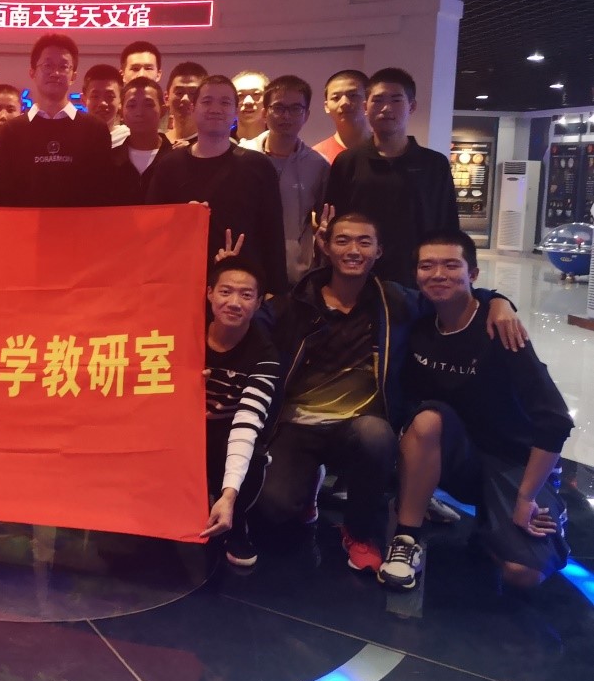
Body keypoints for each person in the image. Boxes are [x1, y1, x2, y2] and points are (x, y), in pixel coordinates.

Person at [256, 213, 525, 572]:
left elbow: (452, 297)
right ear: (325, 247)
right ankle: (308, 484)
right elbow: (244, 321)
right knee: (273, 509)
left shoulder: (394, 301)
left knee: (376, 434)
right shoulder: (296, 303)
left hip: (358, 426)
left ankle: (359, 532)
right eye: (343, 240)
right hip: (297, 424)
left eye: (364, 242)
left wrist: (498, 300)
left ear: (379, 251)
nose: (354, 250)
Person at [380, 231, 573, 591]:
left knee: (522, 573)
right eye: (427, 265)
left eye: (451, 265)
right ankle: (406, 538)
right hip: (459, 456)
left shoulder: (500, 329)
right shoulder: (420, 324)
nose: (439, 274)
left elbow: (555, 420)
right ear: (416, 275)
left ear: (473, 274)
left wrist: (527, 496)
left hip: (513, 462)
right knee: (426, 420)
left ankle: (497, 526)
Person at [147, 75, 287, 293]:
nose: (215, 109)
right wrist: (181, 219)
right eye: (207, 101)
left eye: (225, 102)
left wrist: (275, 293)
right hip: (181, 283)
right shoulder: (169, 165)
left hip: (241, 289)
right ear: (193, 108)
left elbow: (273, 235)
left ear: (235, 110)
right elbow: (152, 229)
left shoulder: (258, 165)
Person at [324, 67, 459, 287]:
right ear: (365, 107)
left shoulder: (434, 164)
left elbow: (449, 227)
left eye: (396, 100)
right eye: (378, 100)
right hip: (359, 280)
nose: (386, 108)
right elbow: (334, 224)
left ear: (411, 106)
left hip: (418, 281)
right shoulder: (347, 162)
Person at [199, 258, 280, 568]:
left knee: (254, 455)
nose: (234, 302)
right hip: (182, 429)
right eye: (225, 291)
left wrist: (229, 495)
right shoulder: (184, 331)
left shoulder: (265, 354)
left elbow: (247, 423)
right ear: (209, 293)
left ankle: (235, 520)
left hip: (227, 431)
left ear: (258, 303)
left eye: (246, 295)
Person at [0, 34, 111, 208]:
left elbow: (103, 194)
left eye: (63, 66)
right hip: (26, 225)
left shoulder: (95, 130)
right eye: (47, 65)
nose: (55, 73)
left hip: (80, 225)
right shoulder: (11, 132)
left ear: (73, 76)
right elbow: (3, 196)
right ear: (32, 72)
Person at [240, 75, 330, 286]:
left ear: (306, 115)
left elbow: (324, 219)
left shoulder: (318, 164)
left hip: (296, 273)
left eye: (295, 108)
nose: (286, 116)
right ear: (265, 112)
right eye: (278, 108)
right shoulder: (242, 156)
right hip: (246, 268)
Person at [111, 77, 174, 205]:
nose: (139, 112)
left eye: (149, 105)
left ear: (162, 110)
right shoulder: (110, 161)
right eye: (132, 105)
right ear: (121, 112)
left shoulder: (176, 160)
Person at [312, 69, 369, 163]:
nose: (344, 103)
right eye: (336, 98)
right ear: (326, 106)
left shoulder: (387, 149)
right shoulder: (317, 157)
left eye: (353, 95)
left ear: (369, 101)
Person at [82, 64, 128, 147]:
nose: (102, 103)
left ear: (121, 100)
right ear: (84, 100)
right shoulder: (74, 139)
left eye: (109, 96)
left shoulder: (129, 139)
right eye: (95, 96)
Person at [165, 61, 207, 143]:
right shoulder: (157, 143)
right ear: (166, 98)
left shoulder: (215, 145)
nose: (185, 99)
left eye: (193, 93)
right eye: (179, 93)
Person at [232, 70, 269, 141]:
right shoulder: (219, 144)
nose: (248, 102)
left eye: (256, 94)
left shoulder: (282, 144)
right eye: (240, 95)